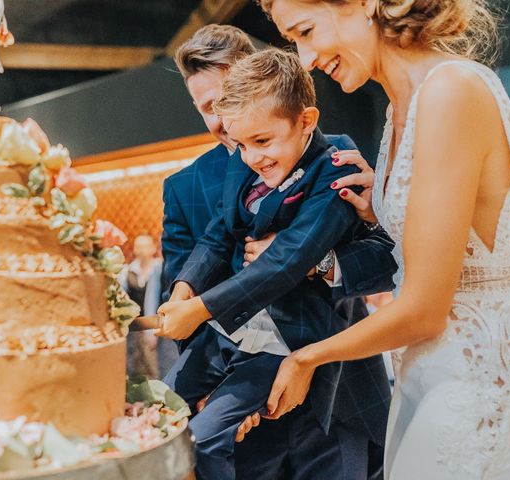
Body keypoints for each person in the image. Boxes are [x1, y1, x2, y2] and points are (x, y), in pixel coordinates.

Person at [256, 0, 510, 478]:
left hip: (475, 392)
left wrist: (309, 357)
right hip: (429, 380)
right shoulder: (401, 111)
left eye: (306, 31)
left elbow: (424, 310)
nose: (305, 58)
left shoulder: (451, 91)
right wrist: (384, 206)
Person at [162, 24, 396, 480]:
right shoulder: (183, 188)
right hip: (243, 415)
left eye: (223, 99)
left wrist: (321, 262)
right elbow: (182, 292)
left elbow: (388, 263)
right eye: (204, 108)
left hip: (337, 395)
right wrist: (217, 394)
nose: (217, 120)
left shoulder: (339, 159)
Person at [118, 234, 163, 378]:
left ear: (153, 248)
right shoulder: (127, 271)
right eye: (139, 247)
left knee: (157, 365)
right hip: (135, 326)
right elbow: (122, 297)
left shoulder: (160, 268)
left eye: (146, 246)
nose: (142, 250)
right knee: (135, 365)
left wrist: (151, 331)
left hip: (158, 324)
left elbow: (153, 298)